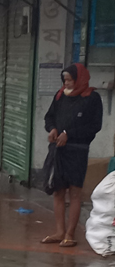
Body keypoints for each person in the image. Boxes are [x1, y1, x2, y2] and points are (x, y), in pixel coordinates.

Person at [42, 63, 104, 248]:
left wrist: (69, 134)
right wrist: (52, 129)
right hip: (58, 150)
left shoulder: (91, 98)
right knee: (58, 191)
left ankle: (70, 234)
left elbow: (94, 126)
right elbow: (49, 117)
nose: (67, 83)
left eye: (70, 80)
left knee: (75, 192)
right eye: (65, 80)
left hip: (77, 150)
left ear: (79, 79)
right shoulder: (60, 95)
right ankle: (59, 231)